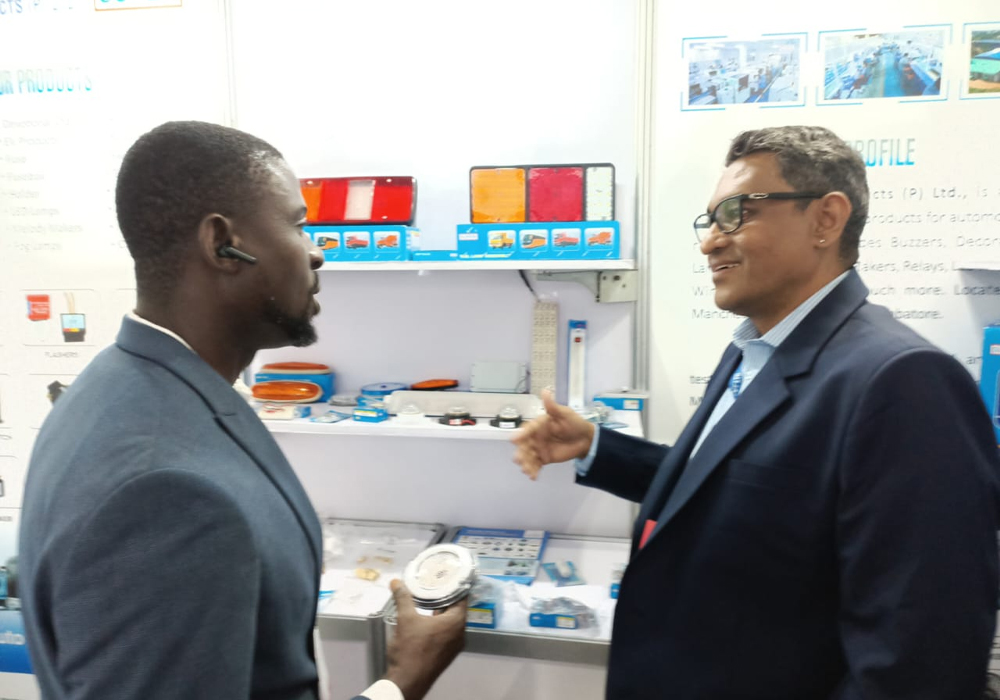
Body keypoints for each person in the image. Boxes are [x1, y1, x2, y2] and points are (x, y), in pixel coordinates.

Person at [513, 125, 1000, 699]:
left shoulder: (903, 381)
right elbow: (733, 495)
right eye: (709, 220)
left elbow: (919, 660)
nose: (710, 242)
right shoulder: (754, 350)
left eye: (736, 213)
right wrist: (598, 447)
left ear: (825, 219)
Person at [19, 121, 466, 700]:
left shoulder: (125, 387)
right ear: (222, 244)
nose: (316, 251)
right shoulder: (165, 491)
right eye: (297, 224)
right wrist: (404, 681)